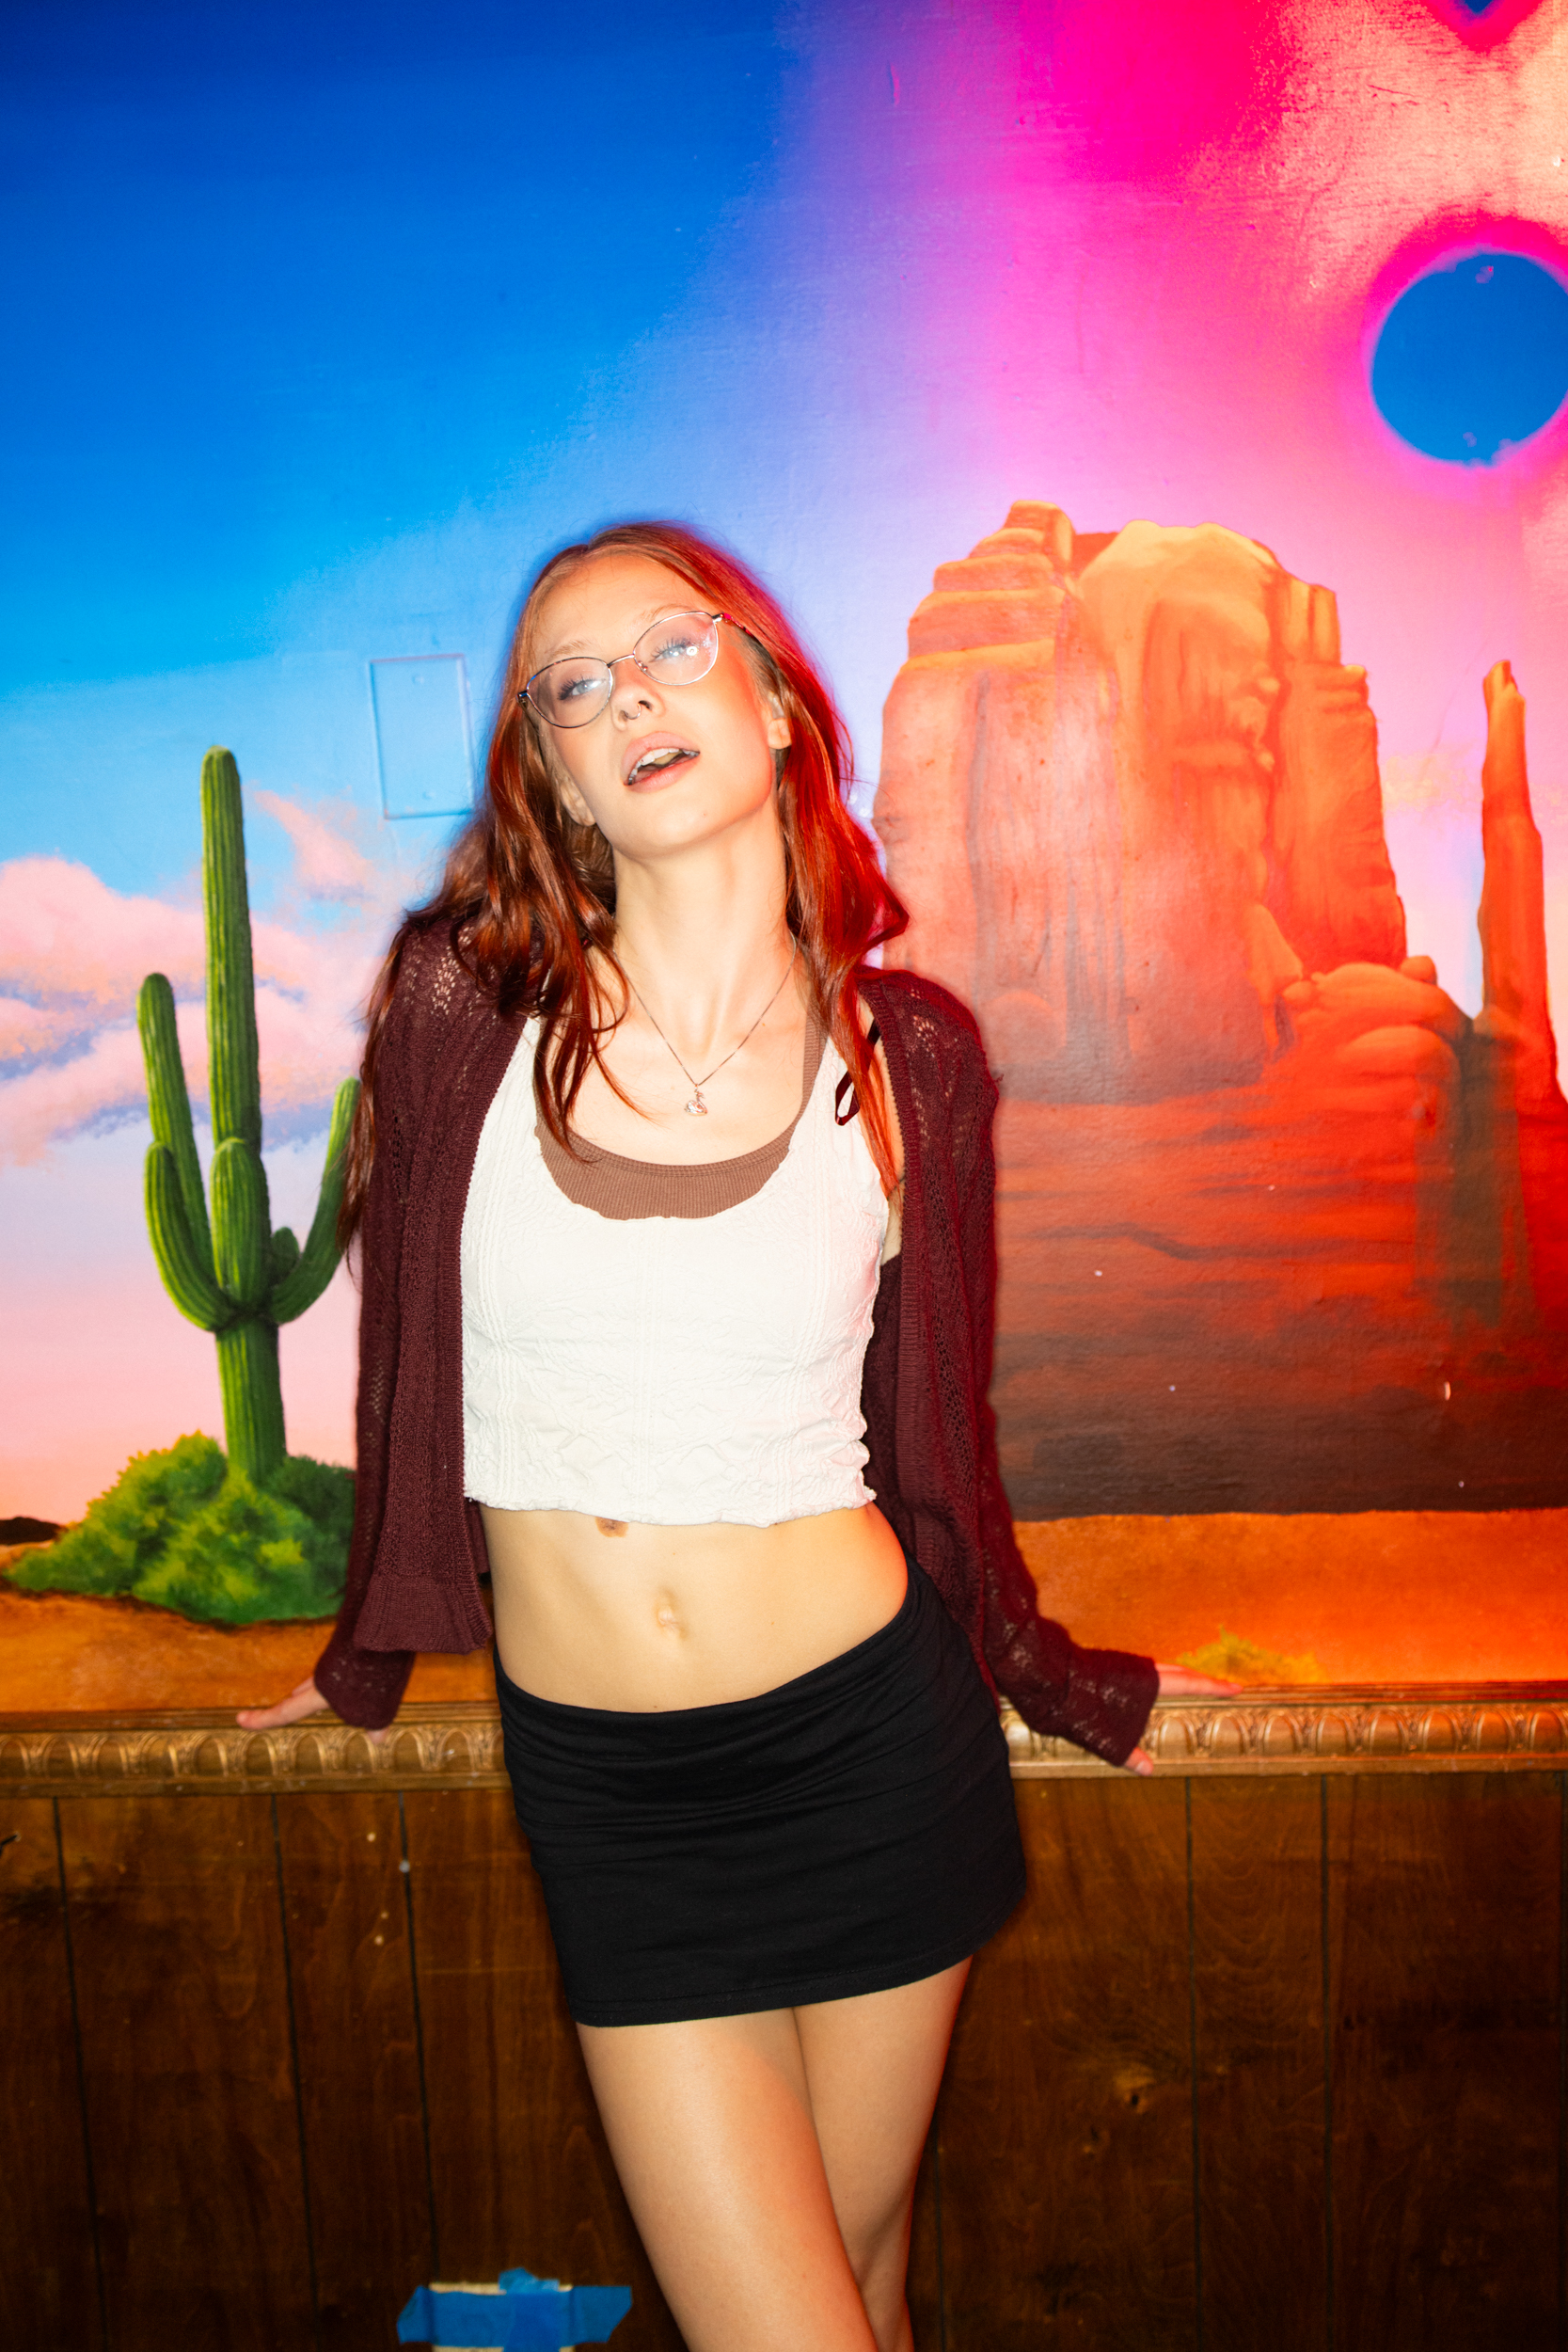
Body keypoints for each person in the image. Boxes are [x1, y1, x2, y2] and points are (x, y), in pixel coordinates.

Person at [241, 521, 1227, 2352]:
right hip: (615, 1797)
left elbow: (937, 1441)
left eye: (674, 648)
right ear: (555, 774)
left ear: (777, 704)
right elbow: (400, 1368)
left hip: (876, 1753)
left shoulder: (909, 1056)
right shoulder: (460, 1004)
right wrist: (364, 1652)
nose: (630, 694)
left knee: (863, 2293)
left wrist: (1046, 1669)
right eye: (575, 684)